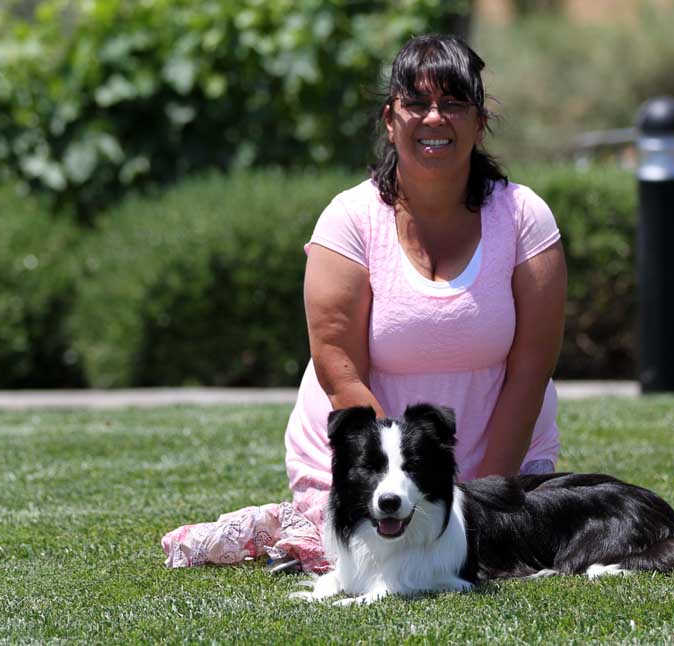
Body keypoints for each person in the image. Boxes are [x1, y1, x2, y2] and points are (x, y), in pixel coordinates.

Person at [161, 33, 566, 573]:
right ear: (390, 119)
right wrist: (395, 477)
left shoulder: (524, 217)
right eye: (416, 103)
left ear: (480, 121)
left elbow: (531, 369)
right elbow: (337, 366)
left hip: (503, 458)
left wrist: (480, 498)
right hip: (372, 467)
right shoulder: (348, 219)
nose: (435, 118)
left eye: (453, 103)